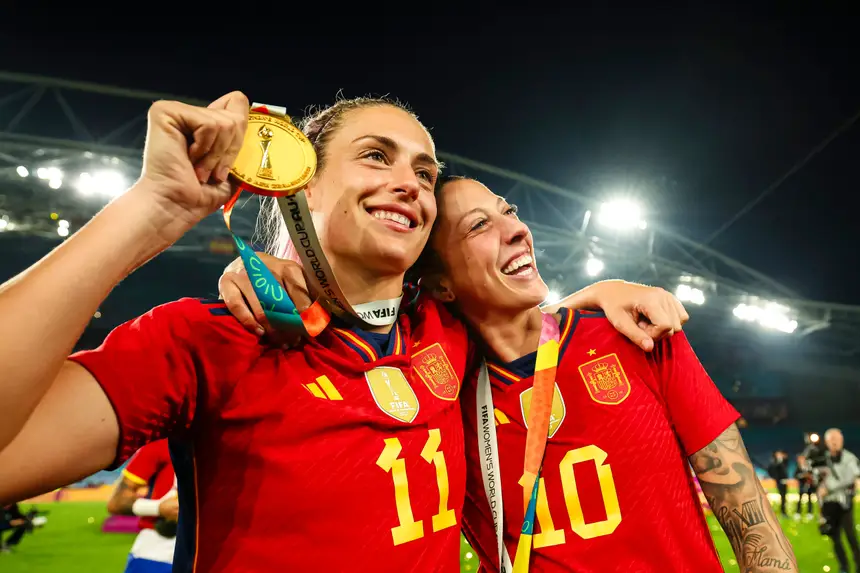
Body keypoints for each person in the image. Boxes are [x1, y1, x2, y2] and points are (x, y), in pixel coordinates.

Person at [0, 92, 685, 573]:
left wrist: (603, 292)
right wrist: (152, 211)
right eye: (375, 156)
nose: (411, 184)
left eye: (424, 171)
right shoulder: (210, 339)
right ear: (302, 185)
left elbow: (525, 317)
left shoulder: (444, 331)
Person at [219, 175, 798, 572]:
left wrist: (599, 293)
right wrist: (267, 276)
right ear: (441, 284)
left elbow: (748, 520)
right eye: (479, 227)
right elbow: (351, 313)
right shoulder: (434, 393)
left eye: (510, 212)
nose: (517, 230)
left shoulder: (637, 338)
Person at [106, 440, 178, 573]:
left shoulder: (221, 448)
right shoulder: (161, 445)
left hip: (209, 554)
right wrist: (159, 508)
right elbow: (116, 502)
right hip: (158, 551)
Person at [817, 428, 860, 573]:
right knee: (834, 537)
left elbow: (852, 479)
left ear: (842, 441)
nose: (834, 442)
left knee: (850, 536)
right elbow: (818, 480)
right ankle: (844, 566)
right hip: (829, 504)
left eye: (837, 439)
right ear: (827, 442)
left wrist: (830, 488)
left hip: (844, 503)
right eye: (831, 439)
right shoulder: (822, 459)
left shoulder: (849, 458)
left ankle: (858, 564)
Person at [768, 449, 789, 517]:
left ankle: (783, 511)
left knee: (784, 497)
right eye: (778, 454)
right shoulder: (774, 462)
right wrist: (776, 479)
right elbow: (772, 469)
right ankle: (781, 511)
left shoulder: (784, 462)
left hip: (785, 482)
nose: (780, 455)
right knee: (782, 496)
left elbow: (784, 469)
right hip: (779, 482)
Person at [794, 453, 814, 519]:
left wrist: (809, 477)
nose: (801, 460)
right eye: (800, 459)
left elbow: (812, 474)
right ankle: (798, 512)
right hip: (802, 486)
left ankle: (810, 512)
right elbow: (796, 475)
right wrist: (803, 475)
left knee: (809, 499)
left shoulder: (809, 466)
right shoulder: (798, 467)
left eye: (802, 458)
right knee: (800, 499)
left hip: (809, 485)